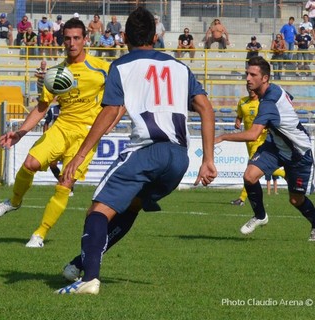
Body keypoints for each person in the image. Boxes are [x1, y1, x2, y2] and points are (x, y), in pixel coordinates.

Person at [55, 7, 217, 295]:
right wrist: (207, 159)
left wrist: (79, 155)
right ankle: (81, 263)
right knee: (130, 207)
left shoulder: (121, 65)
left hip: (147, 151)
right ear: (155, 37)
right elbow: (206, 107)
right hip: (178, 159)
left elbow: (111, 111)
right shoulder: (181, 67)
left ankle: (89, 280)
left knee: (97, 212)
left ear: (125, 36)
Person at [0, 18, 110, 249]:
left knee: (65, 183)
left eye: (77, 38)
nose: (72, 43)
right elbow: (42, 107)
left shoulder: (102, 68)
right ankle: (14, 201)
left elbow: (119, 100)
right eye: (67, 38)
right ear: (62, 40)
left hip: (86, 135)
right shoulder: (56, 73)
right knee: (30, 163)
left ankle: (39, 234)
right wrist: (20, 133)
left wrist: (110, 123)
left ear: (85, 39)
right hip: (62, 126)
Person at [215, 56, 315, 241]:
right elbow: (288, 99)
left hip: (298, 152)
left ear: (265, 78)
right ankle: (260, 216)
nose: (247, 78)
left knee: (296, 200)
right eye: (247, 74)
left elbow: (253, 134)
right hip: (275, 146)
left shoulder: (268, 103)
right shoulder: (275, 90)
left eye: (253, 75)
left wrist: (222, 136)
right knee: (249, 176)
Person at [230, 85, 285, 206]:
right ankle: (287, 174)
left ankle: (242, 198)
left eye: (253, 89)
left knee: (251, 168)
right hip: (248, 140)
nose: (251, 91)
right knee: (259, 167)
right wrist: (238, 121)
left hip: (260, 139)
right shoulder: (242, 102)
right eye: (249, 89)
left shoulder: (263, 102)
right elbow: (239, 116)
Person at [43, 104, 75, 197]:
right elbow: (46, 123)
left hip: (69, 142)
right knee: (52, 164)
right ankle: (63, 183)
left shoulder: (72, 108)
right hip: (55, 141)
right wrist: (45, 137)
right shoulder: (53, 110)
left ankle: (68, 188)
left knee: (67, 166)